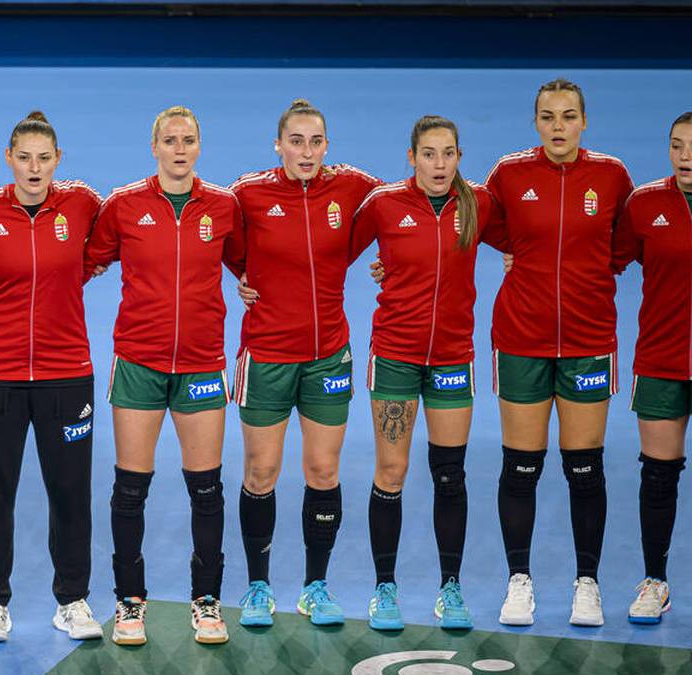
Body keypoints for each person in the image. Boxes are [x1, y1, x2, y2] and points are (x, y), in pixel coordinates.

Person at [85, 105, 245, 646]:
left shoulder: (223, 206)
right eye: (170, 140)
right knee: (130, 489)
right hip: (138, 364)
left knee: (207, 489)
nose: (180, 149)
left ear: (200, 147)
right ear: (154, 147)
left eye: (189, 140)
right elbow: (79, 263)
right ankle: (129, 603)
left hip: (202, 364)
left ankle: (206, 601)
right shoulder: (125, 206)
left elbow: (255, 264)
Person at [0, 111, 104, 644]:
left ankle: (74, 600)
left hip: (67, 374)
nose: (34, 168)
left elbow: (113, 242)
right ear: (9, 161)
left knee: (70, 492)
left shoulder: (81, 203)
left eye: (44, 158)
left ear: (58, 161)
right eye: (24, 158)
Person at [485, 79, 633, 627]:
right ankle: (518, 581)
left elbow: (623, 245)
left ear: (584, 122)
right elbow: (478, 226)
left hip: (589, 341)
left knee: (585, 467)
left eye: (568, 117)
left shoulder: (613, 176)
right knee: (521, 467)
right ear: (535, 123)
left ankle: (586, 584)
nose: (558, 127)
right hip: (521, 338)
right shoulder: (509, 173)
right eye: (547, 117)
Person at [349, 115, 503, 632]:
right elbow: (329, 255)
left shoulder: (478, 203)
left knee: (450, 473)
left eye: (449, 153)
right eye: (430, 153)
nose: (440, 164)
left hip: (454, 358)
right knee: (390, 473)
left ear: (460, 157)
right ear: (411, 157)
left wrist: (512, 261)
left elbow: (530, 241)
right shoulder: (384, 204)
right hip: (395, 355)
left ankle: (450, 588)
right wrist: (249, 281)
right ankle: (384, 589)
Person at [230, 99, 381, 627]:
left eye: (317, 142)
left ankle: (316, 585)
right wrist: (238, 275)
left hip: (327, 357)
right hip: (267, 356)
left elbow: (403, 205)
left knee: (323, 470)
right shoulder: (249, 193)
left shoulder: (353, 186)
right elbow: (216, 235)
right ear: (278, 144)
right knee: (261, 471)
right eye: (296, 141)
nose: (307, 152)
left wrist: (395, 255)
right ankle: (257, 588)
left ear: (327, 147)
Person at [609, 111, 692, 625]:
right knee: (659, 477)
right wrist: (519, 259)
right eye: (678, 146)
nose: (687, 157)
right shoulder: (645, 204)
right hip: (662, 361)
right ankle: (655, 581)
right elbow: (602, 261)